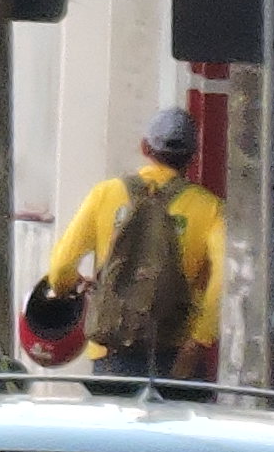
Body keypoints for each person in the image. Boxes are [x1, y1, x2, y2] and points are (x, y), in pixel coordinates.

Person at [40, 106, 222, 381]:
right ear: (192, 156)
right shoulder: (210, 209)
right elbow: (223, 281)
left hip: (111, 352)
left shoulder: (106, 194)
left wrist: (72, 286)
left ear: (145, 147)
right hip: (175, 353)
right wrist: (199, 340)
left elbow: (61, 267)